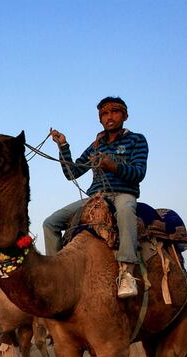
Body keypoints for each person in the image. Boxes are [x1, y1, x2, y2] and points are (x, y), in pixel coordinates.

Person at [43, 96, 149, 298]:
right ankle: (56, 274)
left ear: (125, 115)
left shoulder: (137, 140)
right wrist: (63, 147)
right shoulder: (96, 145)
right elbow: (72, 173)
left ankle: (127, 272)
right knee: (50, 223)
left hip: (123, 194)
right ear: (100, 119)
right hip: (95, 197)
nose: (110, 117)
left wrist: (113, 165)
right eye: (105, 114)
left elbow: (139, 172)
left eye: (115, 112)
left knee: (126, 211)